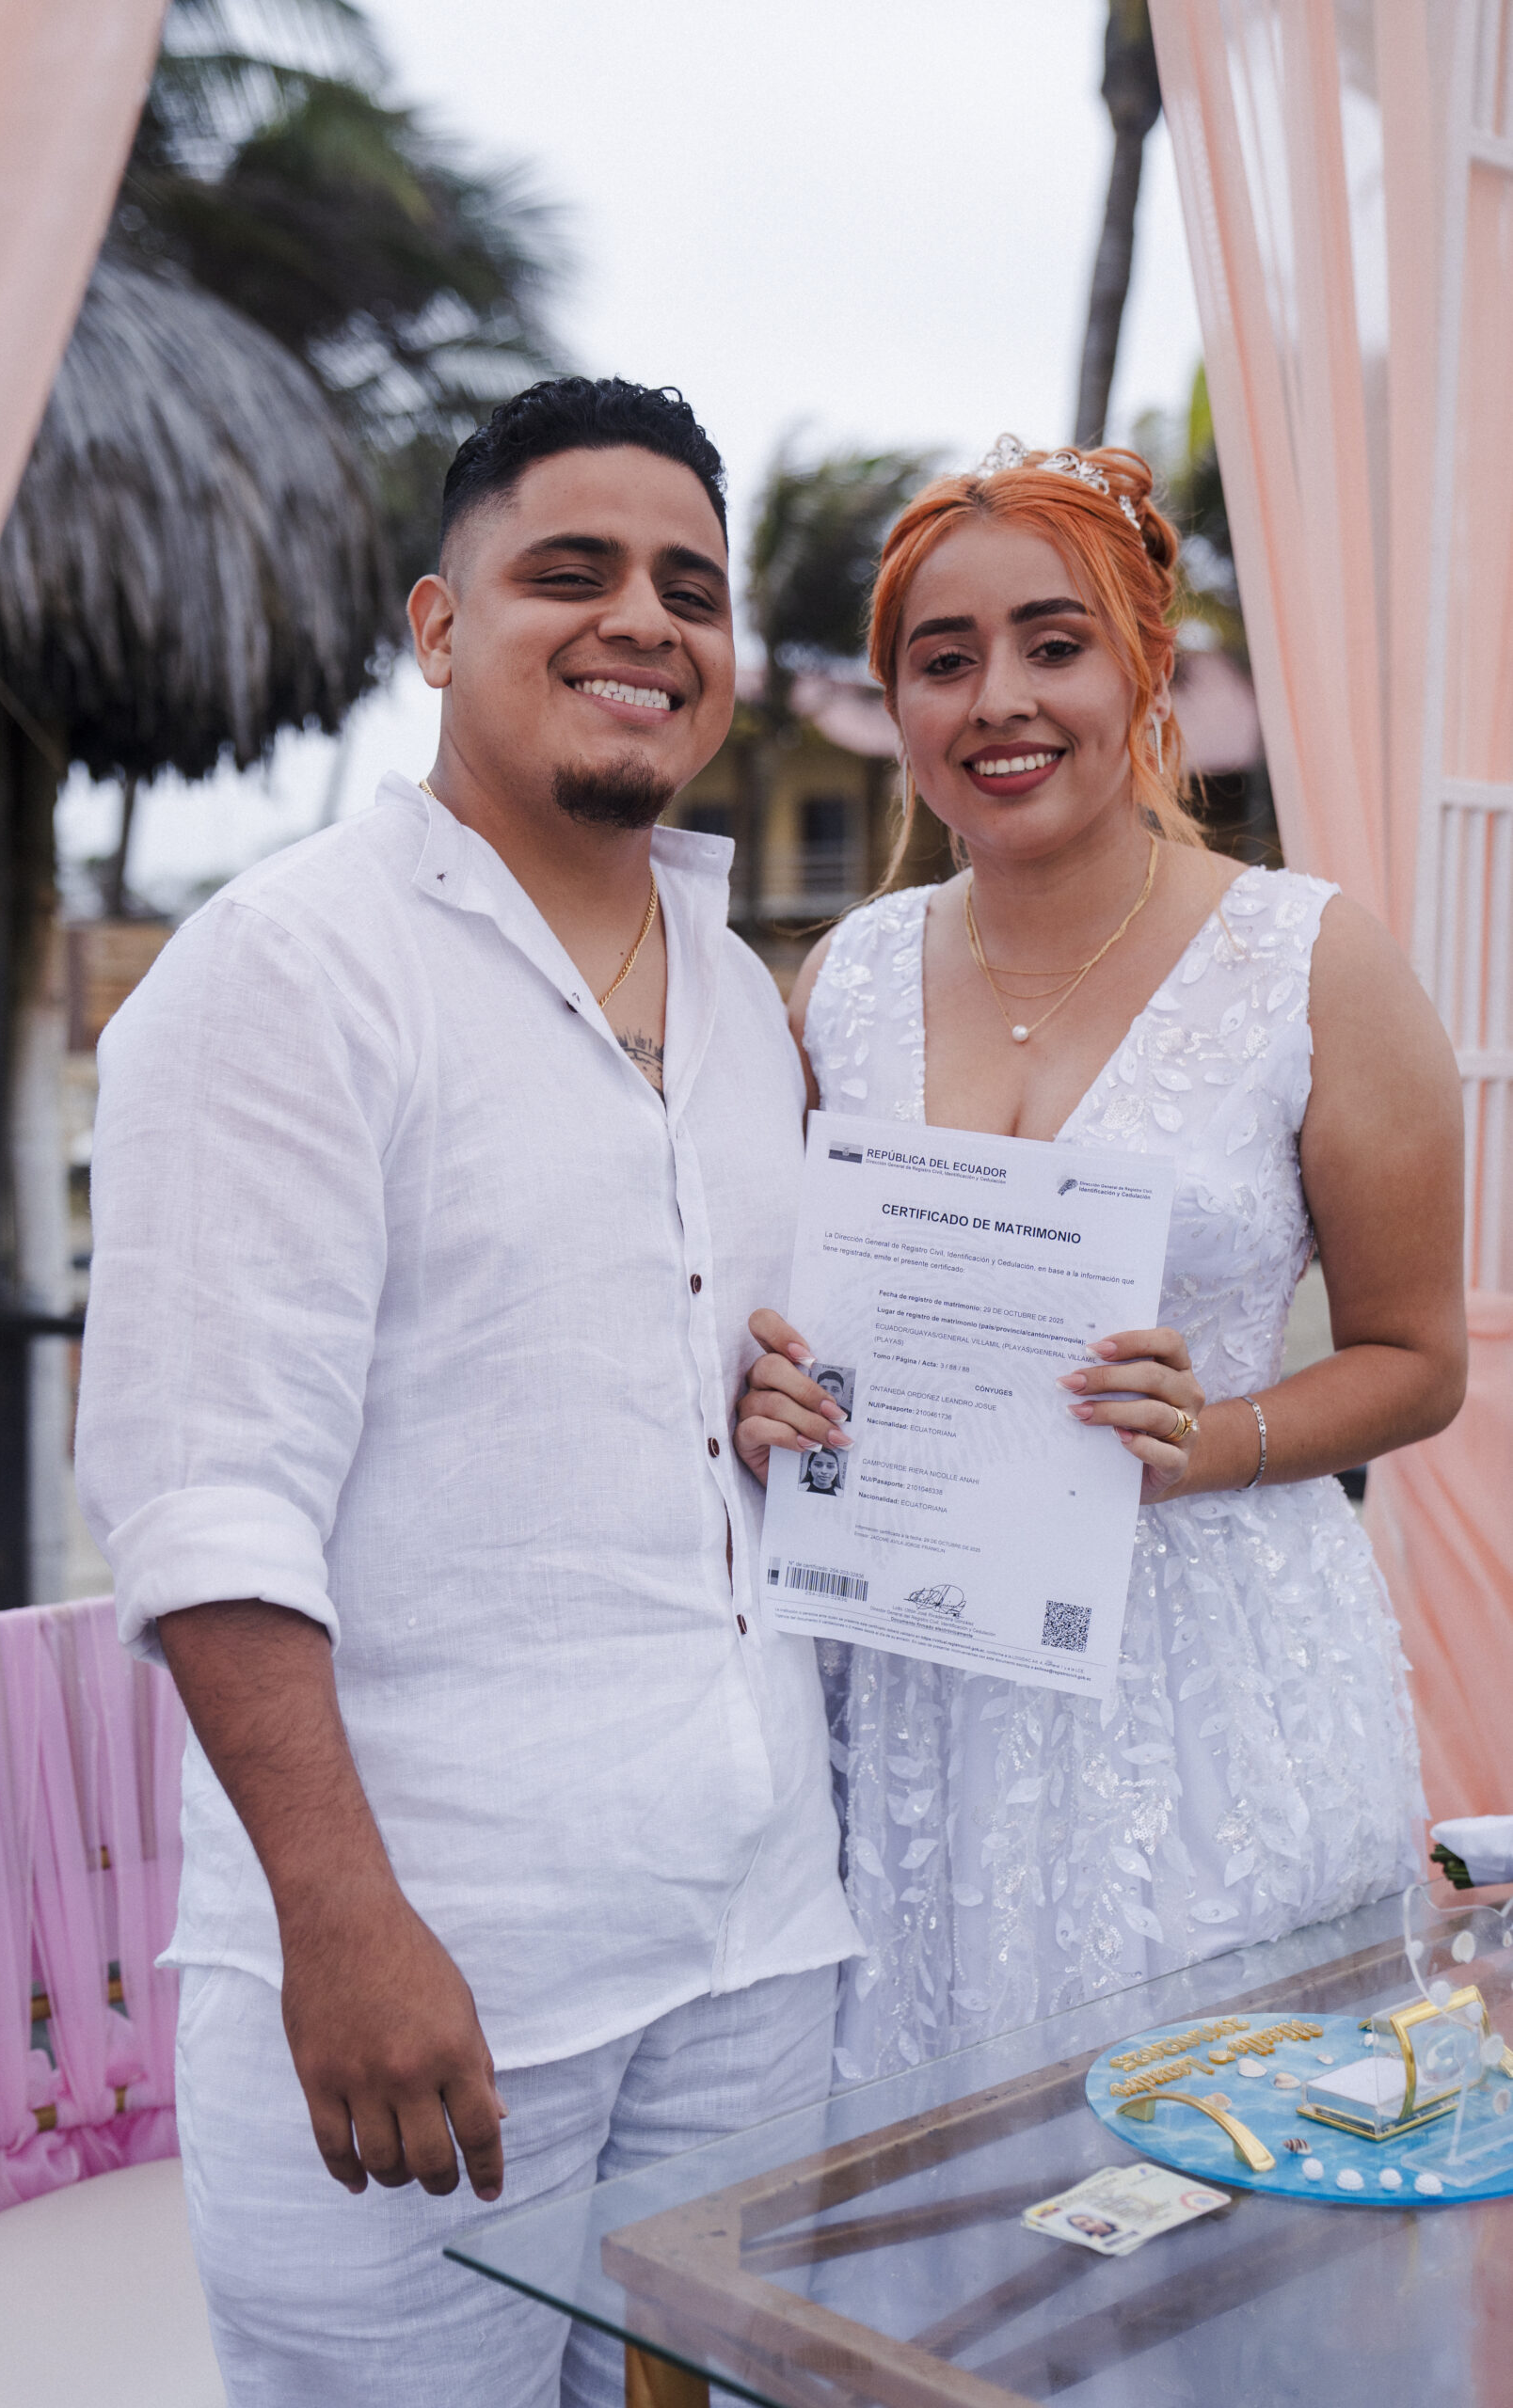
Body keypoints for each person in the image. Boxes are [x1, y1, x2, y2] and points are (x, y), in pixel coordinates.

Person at [76, 376, 859, 2405]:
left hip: (761, 1937)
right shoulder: (287, 971)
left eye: (688, 586)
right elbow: (201, 1491)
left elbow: (693, 1394)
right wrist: (341, 1923)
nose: (641, 621)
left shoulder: (753, 1004)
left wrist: (781, 1399)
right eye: (569, 571)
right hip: (436, 1960)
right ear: (439, 625)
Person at [734, 439, 1467, 2083]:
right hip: (917, 1685)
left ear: (1145, 672)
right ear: (899, 705)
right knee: (921, 2193)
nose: (1000, 700)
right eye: (944, 661)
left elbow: (1420, 1360)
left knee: (1226, 2173)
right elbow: (800, 1303)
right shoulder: (841, 980)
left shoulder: (1312, 958)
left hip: (1207, 1677)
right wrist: (779, 1389)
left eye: (1053, 646)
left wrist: (1212, 1440)